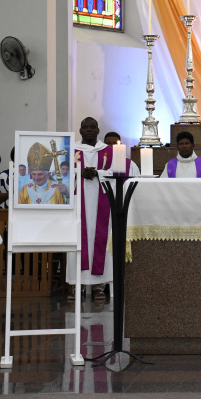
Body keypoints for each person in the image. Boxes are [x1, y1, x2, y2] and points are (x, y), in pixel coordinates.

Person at [67, 117, 122, 302]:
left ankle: (100, 286)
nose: (89, 130)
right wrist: (78, 172)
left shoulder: (109, 151)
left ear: (98, 130)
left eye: (92, 127)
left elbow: (117, 174)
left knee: (102, 239)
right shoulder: (71, 150)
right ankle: (76, 285)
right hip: (77, 203)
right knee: (76, 239)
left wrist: (97, 173)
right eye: (85, 127)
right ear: (80, 130)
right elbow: (62, 173)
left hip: (102, 204)